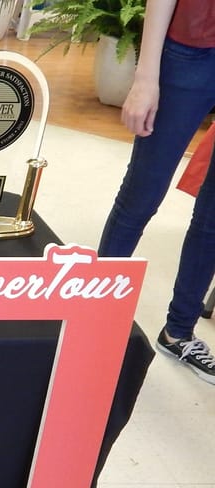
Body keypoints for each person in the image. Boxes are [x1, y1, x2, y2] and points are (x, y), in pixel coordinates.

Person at [98, 0, 215, 384]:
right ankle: (94, 316)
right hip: (192, 51)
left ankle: (179, 332)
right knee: (142, 194)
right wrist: (146, 77)